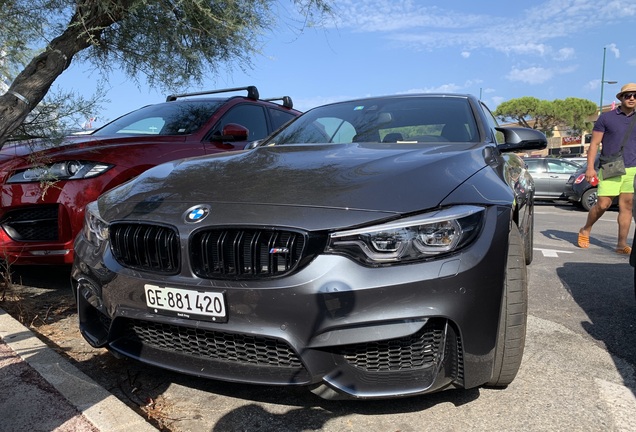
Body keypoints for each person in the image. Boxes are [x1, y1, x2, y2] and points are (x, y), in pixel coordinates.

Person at [578, 83, 636, 254]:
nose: (632, 98)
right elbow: (594, 144)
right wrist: (590, 168)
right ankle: (586, 229)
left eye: (635, 95)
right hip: (611, 166)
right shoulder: (606, 118)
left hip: (633, 169)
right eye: (628, 95)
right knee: (603, 204)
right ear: (621, 98)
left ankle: (621, 244)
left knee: (627, 207)